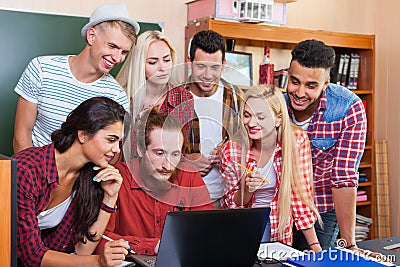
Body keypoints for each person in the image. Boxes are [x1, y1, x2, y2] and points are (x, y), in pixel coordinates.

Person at [13, 97, 131, 267]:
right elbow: (32, 257)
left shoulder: (90, 176)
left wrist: (110, 197)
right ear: (83, 135)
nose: (116, 150)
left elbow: (83, 250)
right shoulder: (26, 170)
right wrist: (98, 262)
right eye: (111, 140)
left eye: (119, 143)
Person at [13, 3, 139, 153]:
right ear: (91, 36)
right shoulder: (41, 69)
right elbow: (22, 136)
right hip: (34, 171)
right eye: (112, 46)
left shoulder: (116, 96)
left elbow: (112, 152)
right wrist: (32, 173)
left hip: (82, 176)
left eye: (124, 52)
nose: (117, 58)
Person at [95, 108, 214, 256]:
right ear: (140, 149)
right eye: (159, 153)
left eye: (175, 154)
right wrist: (153, 246)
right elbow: (99, 241)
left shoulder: (189, 175)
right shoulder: (118, 177)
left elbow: (208, 231)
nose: (168, 165)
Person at [285, 39, 367, 251]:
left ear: (326, 83)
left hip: (322, 207)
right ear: (287, 74)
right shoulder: (276, 104)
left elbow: (344, 177)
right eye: (295, 81)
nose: (300, 93)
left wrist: (349, 244)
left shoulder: (349, 108)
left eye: (311, 86)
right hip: (281, 206)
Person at [219, 86, 322, 252]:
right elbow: (231, 207)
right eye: (247, 115)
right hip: (242, 231)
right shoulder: (232, 150)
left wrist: (315, 246)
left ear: (278, 119)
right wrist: (246, 190)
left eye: (261, 117)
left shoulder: (296, 142)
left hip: (280, 234)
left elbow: (300, 197)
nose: (251, 123)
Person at [184, 30, 242, 208]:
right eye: (201, 66)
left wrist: (228, 153)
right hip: (185, 196)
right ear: (189, 62)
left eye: (215, 67)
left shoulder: (236, 98)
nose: (208, 75)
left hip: (225, 197)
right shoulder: (175, 98)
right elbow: (158, 148)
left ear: (223, 64)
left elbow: (249, 144)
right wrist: (184, 160)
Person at [116, 30, 195, 159]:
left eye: (166, 60)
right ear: (139, 65)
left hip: (166, 174)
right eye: (153, 62)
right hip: (126, 175)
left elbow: (181, 151)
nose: (163, 68)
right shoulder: (121, 98)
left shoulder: (183, 98)